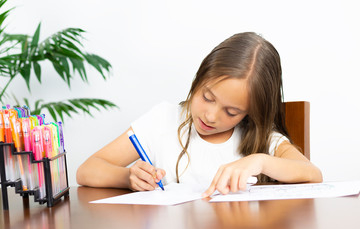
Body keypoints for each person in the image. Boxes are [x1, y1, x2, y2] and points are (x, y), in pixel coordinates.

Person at [76, 32, 323, 197]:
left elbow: (313, 174)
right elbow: (87, 170)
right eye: (207, 97)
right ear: (198, 79)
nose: (211, 116)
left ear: (250, 113)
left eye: (232, 111)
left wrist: (260, 160)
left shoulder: (261, 138)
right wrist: (127, 177)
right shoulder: (162, 120)